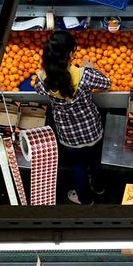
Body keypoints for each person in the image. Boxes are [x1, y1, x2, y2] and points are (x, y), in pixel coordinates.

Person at [33, 31, 112, 205]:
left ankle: (85, 200)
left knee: (78, 166)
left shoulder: (42, 79)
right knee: (95, 161)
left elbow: (39, 90)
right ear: (70, 54)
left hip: (68, 135)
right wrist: (90, 67)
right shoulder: (84, 75)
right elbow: (107, 83)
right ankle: (99, 188)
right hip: (91, 130)